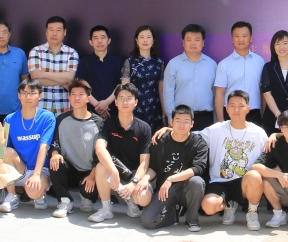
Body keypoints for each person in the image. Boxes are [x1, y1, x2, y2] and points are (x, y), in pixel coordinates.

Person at [151, 89, 270, 229]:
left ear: (248, 108)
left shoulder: (258, 133)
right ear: (226, 108)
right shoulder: (217, 129)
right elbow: (190, 134)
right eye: (232, 105)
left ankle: (252, 212)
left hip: (244, 182)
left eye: (241, 106)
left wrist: (275, 135)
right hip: (220, 181)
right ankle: (229, 205)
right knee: (208, 207)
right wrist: (169, 129)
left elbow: (268, 155)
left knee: (255, 175)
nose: (236, 110)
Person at [88, 83, 154, 222]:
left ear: (135, 102)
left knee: (143, 198)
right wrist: (113, 171)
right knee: (101, 166)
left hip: (134, 174)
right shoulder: (108, 123)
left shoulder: (144, 128)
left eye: (129, 98)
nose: (125, 102)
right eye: (121, 98)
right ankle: (106, 209)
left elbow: (144, 163)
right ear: (116, 102)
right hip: (114, 174)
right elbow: (99, 148)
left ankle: (132, 202)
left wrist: (134, 183)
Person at [139, 104, 210, 231]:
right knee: (148, 222)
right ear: (171, 122)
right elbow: (154, 167)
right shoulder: (160, 141)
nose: (182, 125)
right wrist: (145, 178)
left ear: (192, 123)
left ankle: (192, 220)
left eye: (186, 121)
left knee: (197, 182)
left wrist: (171, 179)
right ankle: (174, 215)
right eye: (178, 120)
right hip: (165, 190)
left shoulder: (199, 143)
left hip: (187, 188)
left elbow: (198, 168)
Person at [0, 79, 56, 213]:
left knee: (33, 193)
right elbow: (5, 150)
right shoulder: (9, 119)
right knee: (5, 153)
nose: (28, 97)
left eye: (32, 93)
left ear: (40, 96)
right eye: (24, 93)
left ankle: (40, 195)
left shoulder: (47, 117)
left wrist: (36, 174)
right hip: (20, 168)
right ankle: (12, 196)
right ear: (19, 95)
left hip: (40, 169)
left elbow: (44, 146)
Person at [47, 80, 103, 217]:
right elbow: (55, 143)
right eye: (73, 94)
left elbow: (101, 153)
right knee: (55, 161)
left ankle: (85, 196)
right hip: (70, 169)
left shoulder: (98, 122)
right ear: (69, 97)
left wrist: (93, 175)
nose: (76, 98)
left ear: (88, 98)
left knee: (88, 195)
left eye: (81, 94)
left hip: (89, 171)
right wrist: (55, 153)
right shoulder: (61, 119)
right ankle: (65, 201)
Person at [162, 24, 215, 130]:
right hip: (181, 118)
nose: (193, 43)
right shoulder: (173, 64)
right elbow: (168, 93)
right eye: (189, 39)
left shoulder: (212, 65)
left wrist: (216, 119)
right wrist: (170, 118)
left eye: (197, 39)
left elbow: (216, 94)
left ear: (203, 42)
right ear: (183, 42)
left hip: (206, 118)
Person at [215, 21, 267, 127]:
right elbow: (220, 93)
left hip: (254, 113)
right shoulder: (224, 64)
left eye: (244, 36)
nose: (241, 39)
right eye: (237, 36)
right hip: (231, 114)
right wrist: (220, 120)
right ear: (232, 39)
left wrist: (263, 115)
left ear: (251, 38)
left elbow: (264, 91)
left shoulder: (260, 62)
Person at [27, 16, 79, 114]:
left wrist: (43, 74)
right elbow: (36, 81)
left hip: (64, 109)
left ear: (64, 32)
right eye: (51, 30)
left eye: (58, 30)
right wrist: (63, 80)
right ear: (46, 32)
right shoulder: (36, 51)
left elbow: (70, 77)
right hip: (40, 109)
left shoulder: (72, 53)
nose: (54, 34)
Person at [124, 25, 167, 130]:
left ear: (153, 41)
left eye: (148, 37)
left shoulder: (159, 63)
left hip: (154, 109)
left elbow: (161, 90)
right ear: (136, 40)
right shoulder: (130, 62)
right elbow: (125, 90)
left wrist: (163, 113)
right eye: (142, 37)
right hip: (135, 108)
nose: (145, 40)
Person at [77, 25, 123, 119]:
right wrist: (97, 105)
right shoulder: (84, 62)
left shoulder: (118, 61)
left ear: (109, 40)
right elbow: (82, 86)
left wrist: (106, 102)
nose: (99, 41)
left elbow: (120, 85)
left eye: (103, 37)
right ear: (91, 42)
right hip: (90, 111)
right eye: (96, 38)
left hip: (113, 110)